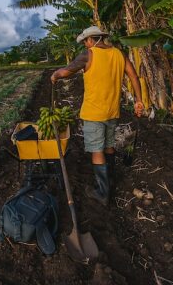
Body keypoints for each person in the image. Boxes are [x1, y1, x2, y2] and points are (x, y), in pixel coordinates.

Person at [51, 25, 144, 206]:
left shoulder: (89, 54)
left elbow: (66, 71)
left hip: (94, 113)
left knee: (97, 151)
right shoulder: (119, 54)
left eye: (86, 41)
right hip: (112, 111)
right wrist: (139, 100)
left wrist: (55, 75)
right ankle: (110, 181)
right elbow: (133, 76)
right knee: (109, 146)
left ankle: (102, 192)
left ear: (93, 39)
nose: (85, 45)